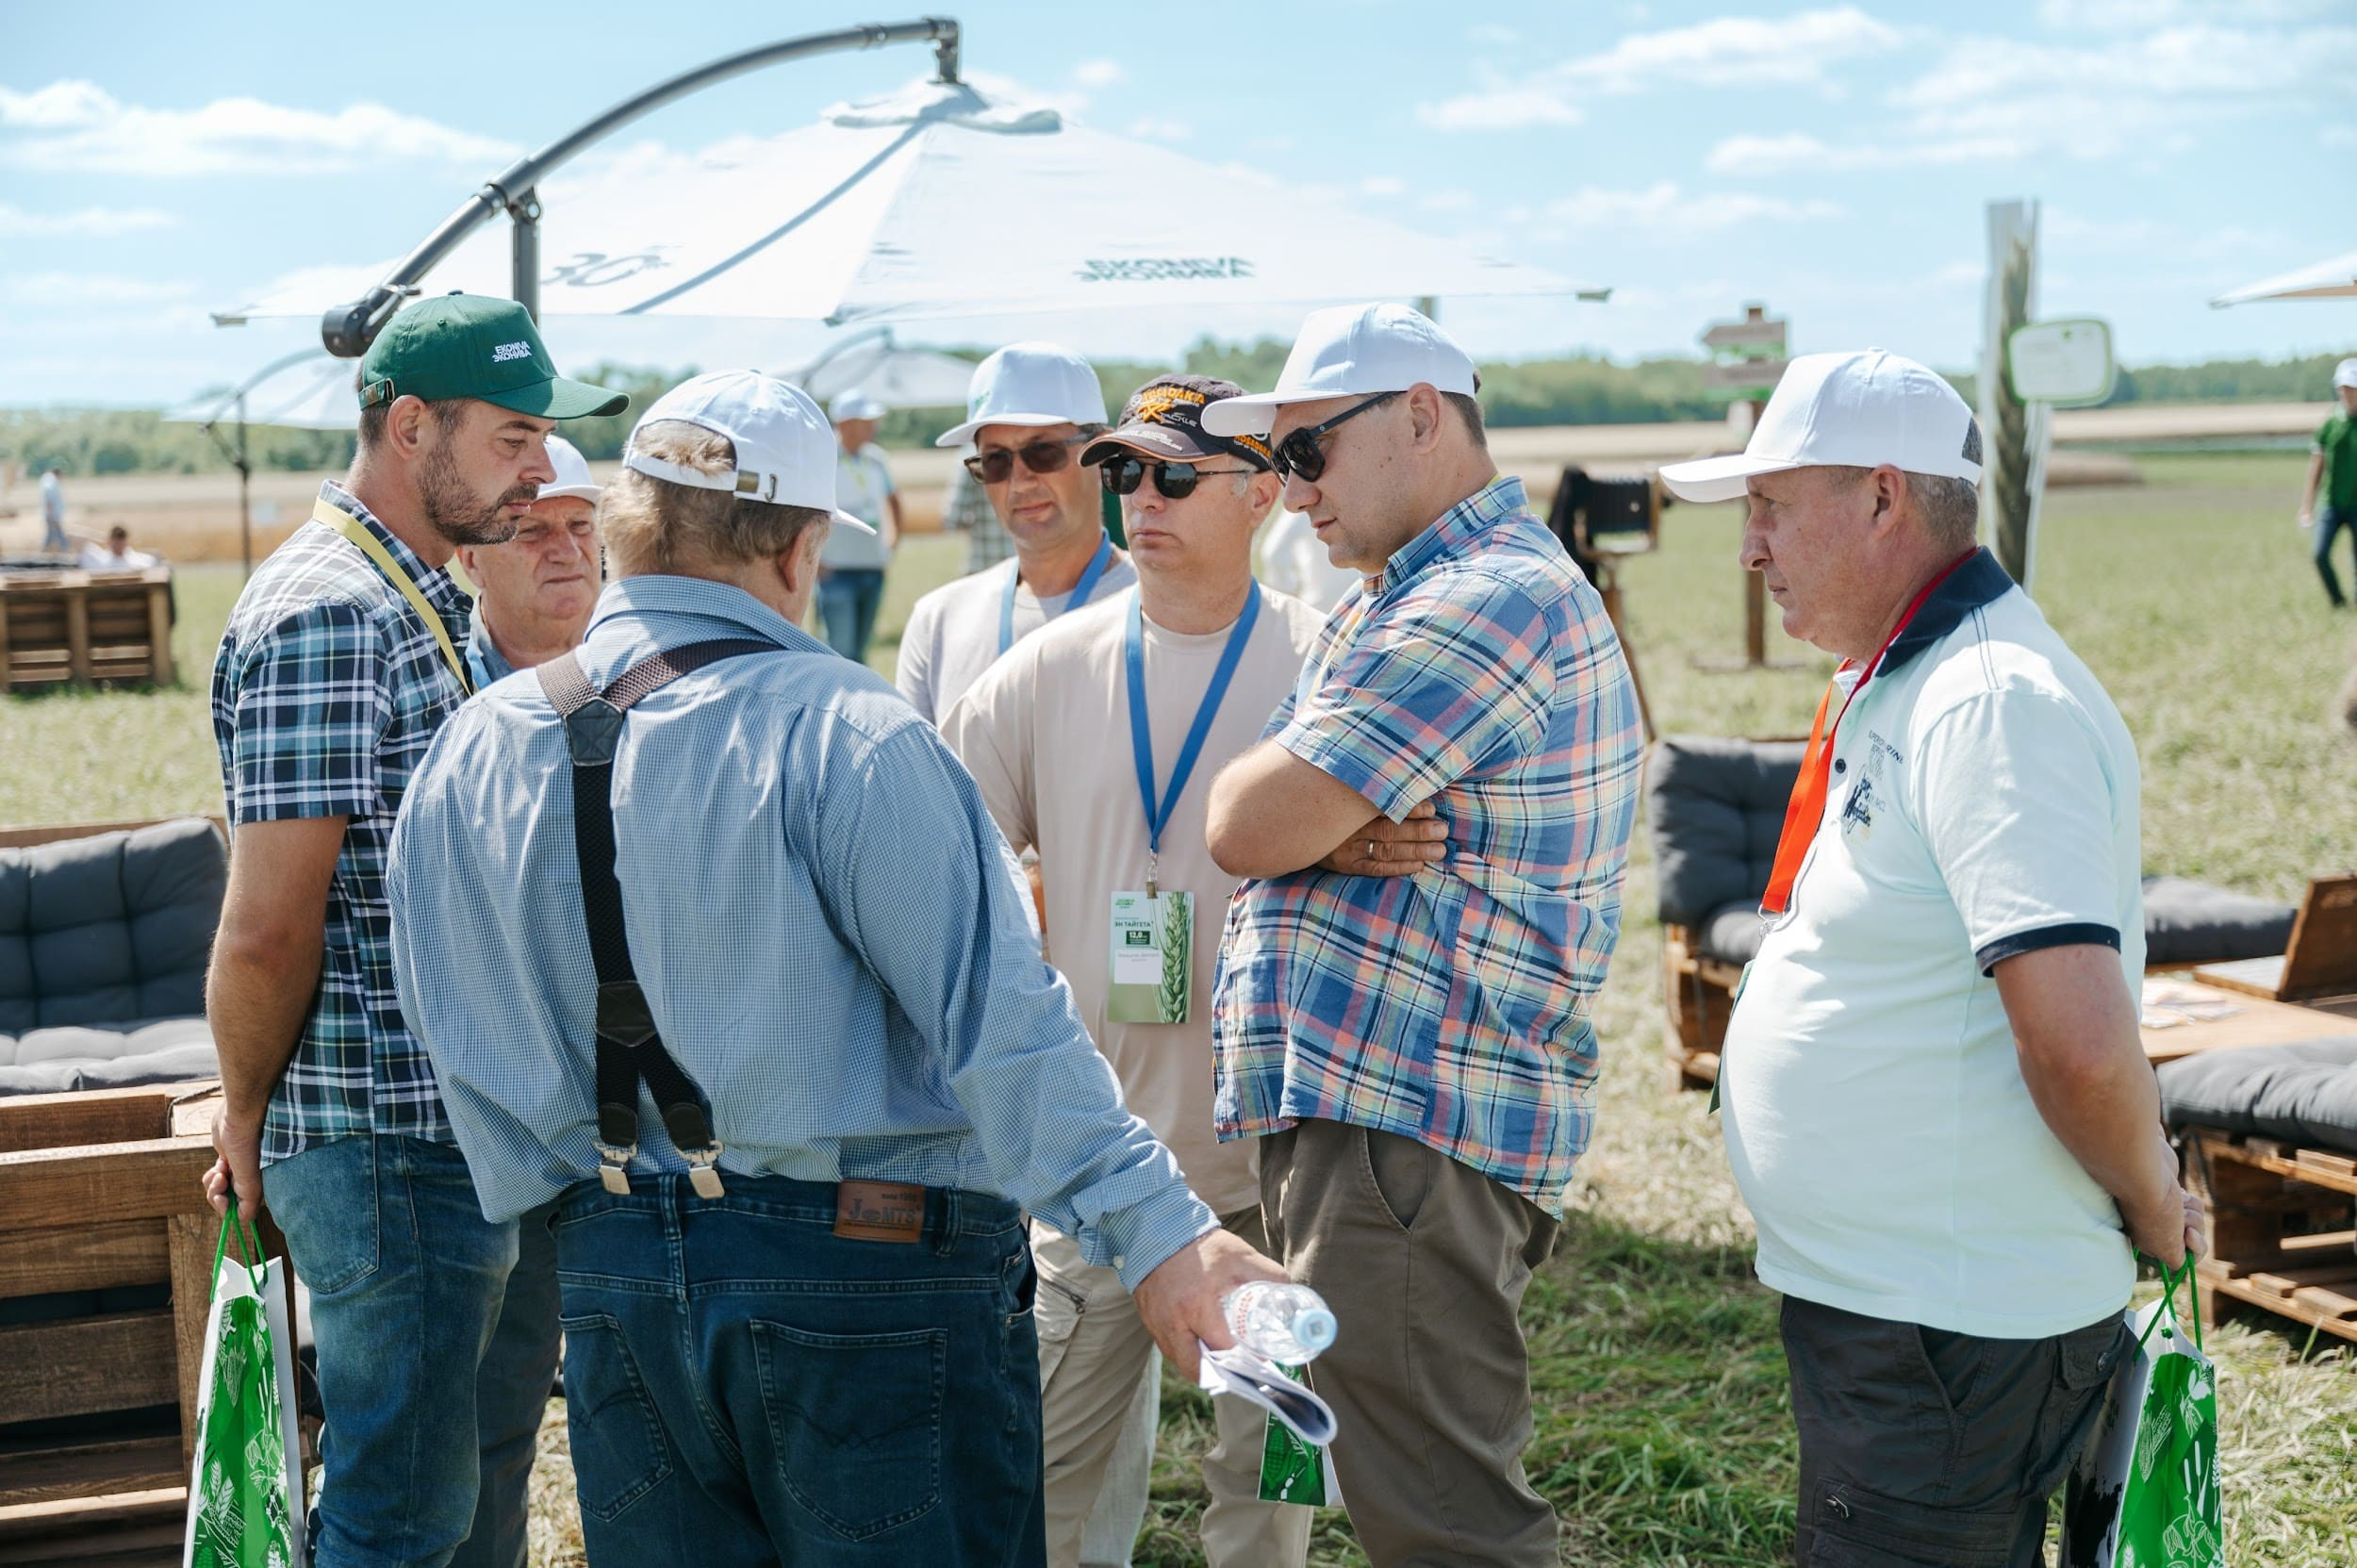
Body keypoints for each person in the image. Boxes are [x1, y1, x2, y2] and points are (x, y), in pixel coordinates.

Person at [384, 369, 1287, 1565]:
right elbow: (1001, 1030)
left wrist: (590, 1201)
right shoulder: (848, 733)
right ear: (800, 548)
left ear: (623, 528)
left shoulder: (473, 751)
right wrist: (1163, 1236)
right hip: (872, 1278)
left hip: (615, 1275)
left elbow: (455, 1029)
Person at [1657, 350, 2207, 1567]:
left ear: (1881, 496)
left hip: (1952, 1325)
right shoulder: (1913, 676)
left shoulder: (1990, 701)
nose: (1748, 547)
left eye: (1769, 505)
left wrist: (2154, 1203)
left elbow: (2076, 1038)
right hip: (1914, 1310)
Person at [1201, 303, 1643, 1567]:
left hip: (1406, 1126)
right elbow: (1275, 813)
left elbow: (1242, 818)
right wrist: (1331, 830)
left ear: (1418, 416)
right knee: (1423, 1497)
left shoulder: (1481, 598)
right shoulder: (1415, 593)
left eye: (1307, 452)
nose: (1293, 492)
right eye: (1277, 459)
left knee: (1446, 1526)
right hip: (1398, 1125)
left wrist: (1308, 824)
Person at [202, 292, 626, 1568]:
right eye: (511, 438)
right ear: (409, 429)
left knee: (431, 1507)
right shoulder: (333, 610)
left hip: (431, 1136)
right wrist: (241, 1114)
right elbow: (268, 927)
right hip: (388, 1144)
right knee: (398, 1519)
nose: (536, 469)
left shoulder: (404, 593)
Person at [945, 375, 1369, 1568]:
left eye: (1176, 474)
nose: (1142, 498)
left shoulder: (1331, 663)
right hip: (1095, 1164)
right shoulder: (1042, 671)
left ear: (1264, 494)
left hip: (1280, 1166)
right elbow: (935, 867)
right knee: (1044, 1490)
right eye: (1126, 472)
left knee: (1270, 1495)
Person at [897, 343, 1136, 723]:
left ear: (1101, 451)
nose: (1019, 481)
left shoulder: (1164, 607)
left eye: (1043, 452)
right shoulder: (937, 622)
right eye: (996, 461)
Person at [457, 433, 603, 688]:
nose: (569, 554)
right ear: (471, 561)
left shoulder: (652, 664)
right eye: (532, 531)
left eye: (580, 525)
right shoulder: (437, 678)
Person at [816, 390, 902, 663]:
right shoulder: (822, 458)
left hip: (872, 568)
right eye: (866, 421)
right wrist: (816, 561)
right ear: (846, 423)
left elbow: (894, 501)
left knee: (861, 654)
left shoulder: (876, 459)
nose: (873, 426)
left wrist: (891, 544)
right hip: (835, 572)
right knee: (839, 653)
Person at [2297, 356, 2357, 608]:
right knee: (2319, 554)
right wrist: (2307, 506)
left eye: (2352, 389)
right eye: (2343, 388)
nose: (2347, 394)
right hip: (2332, 502)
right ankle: (2338, 603)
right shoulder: (2331, 424)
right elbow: (2316, 467)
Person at [1256, 505, 1360, 613]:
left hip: (1322, 603)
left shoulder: (1303, 504)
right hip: (1356, 596)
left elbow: (1275, 554)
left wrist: (1287, 598)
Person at [74, 523, 157, 570]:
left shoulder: (138, 560)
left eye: (121, 541)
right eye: (115, 541)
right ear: (110, 541)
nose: (118, 545)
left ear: (126, 542)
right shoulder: (100, 559)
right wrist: (101, 537)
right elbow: (74, 536)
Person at [40, 465, 67, 553]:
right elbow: (49, 499)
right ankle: (65, 548)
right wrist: (51, 514)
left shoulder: (49, 481)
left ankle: (45, 550)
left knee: (52, 534)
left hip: (52, 513)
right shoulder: (51, 482)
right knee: (56, 533)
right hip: (52, 514)